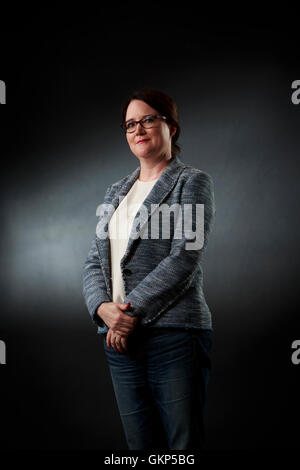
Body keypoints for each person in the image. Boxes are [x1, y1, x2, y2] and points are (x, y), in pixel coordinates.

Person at [82, 88, 216, 451]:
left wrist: (128, 314)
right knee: (140, 445)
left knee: (182, 444)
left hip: (174, 336)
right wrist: (102, 310)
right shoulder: (115, 192)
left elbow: (184, 258)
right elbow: (95, 260)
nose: (138, 129)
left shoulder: (191, 182)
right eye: (129, 124)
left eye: (147, 119)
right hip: (119, 340)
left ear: (171, 126)